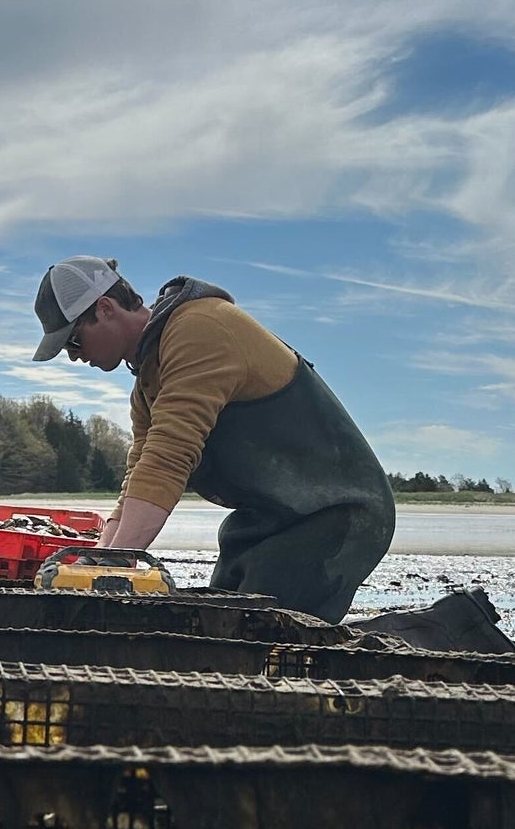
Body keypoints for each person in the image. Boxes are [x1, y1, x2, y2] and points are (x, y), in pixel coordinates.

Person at [31, 255, 393, 623]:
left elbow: (168, 459)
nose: (74, 357)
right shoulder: (147, 381)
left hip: (333, 514)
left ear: (105, 309)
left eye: (73, 341)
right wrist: (99, 555)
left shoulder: (198, 330)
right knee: (222, 629)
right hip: (264, 522)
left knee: (267, 637)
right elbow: (140, 471)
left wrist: (115, 564)